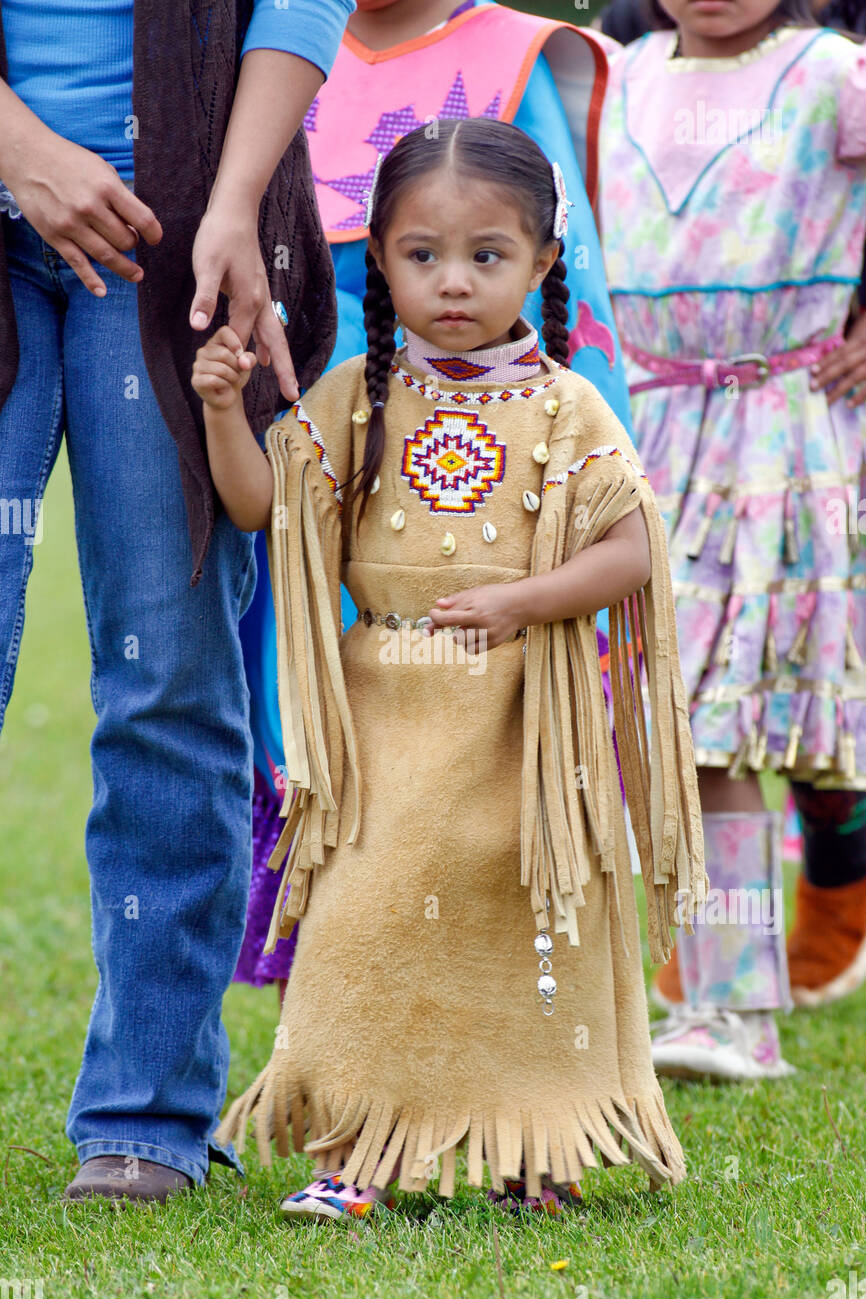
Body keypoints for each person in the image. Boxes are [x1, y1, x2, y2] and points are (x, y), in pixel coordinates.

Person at [195, 116, 706, 1221]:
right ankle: (358, 1150)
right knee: (360, 925)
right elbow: (260, 508)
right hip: (383, 716)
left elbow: (630, 548)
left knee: (526, 929)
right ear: (377, 257)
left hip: (525, 728)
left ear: (541, 260)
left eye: (487, 255)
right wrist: (218, 409)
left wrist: (522, 599)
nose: (454, 283)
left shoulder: (567, 408)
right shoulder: (352, 397)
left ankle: (534, 1144)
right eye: (421, 255)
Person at [0, 0, 354, 1204]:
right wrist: (21, 149)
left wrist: (234, 199)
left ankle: (146, 1117)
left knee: (171, 670)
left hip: (179, 237)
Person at [235, 0, 637, 1003]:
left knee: (483, 772)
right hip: (323, 440)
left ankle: (513, 1048)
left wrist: (568, 496)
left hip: (489, 471)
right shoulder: (267, 44)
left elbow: (564, 272)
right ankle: (336, 1045)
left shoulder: (508, 55)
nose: (451, 277)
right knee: (319, 744)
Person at [599, 0, 866, 1079]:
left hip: (779, 435)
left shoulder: (830, 72)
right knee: (651, 719)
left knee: (712, 724)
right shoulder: (611, 74)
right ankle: (667, 994)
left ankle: (730, 1007)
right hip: (638, 427)